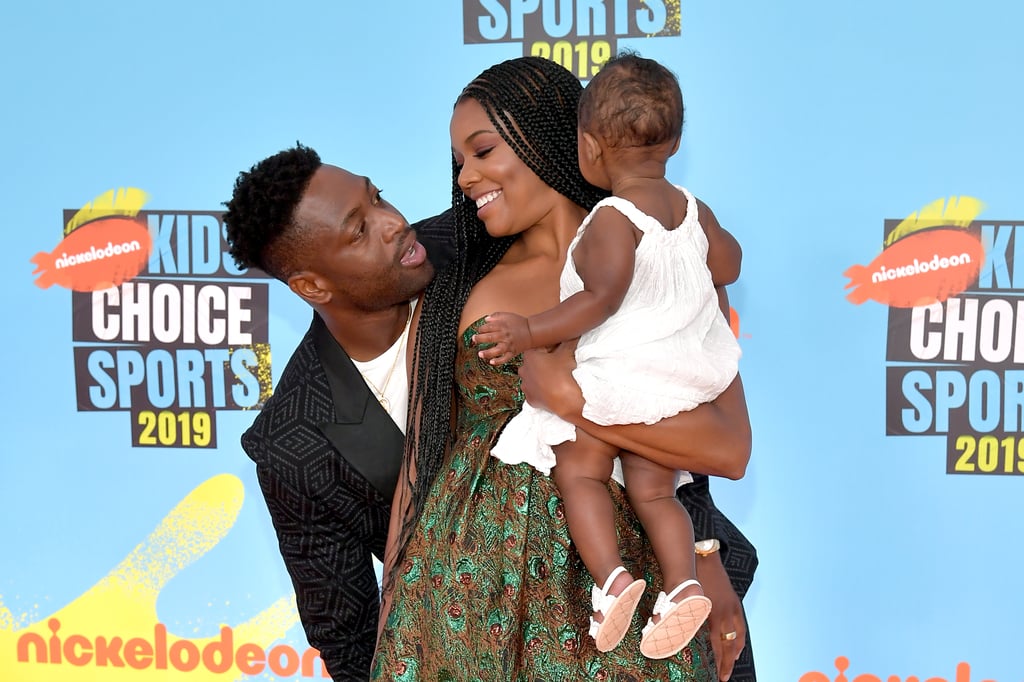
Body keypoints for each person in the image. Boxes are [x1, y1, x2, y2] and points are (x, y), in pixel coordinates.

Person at [373, 56, 752, 680]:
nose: (466, 176)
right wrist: (395, 614)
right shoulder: (453, 293)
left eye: (482, 150)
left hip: (633, 595)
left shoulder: (665, 270)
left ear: (561, 140)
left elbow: (724, 449)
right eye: (458, 160)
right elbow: (423, 460)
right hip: (468, 591)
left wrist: (706, 561)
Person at [473, 52, 743, 660]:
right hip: (681, 388)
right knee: (655, 494)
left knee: (580, 473)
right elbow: (728, 263)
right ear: (674, 141)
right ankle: (680, 586)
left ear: (589, 147)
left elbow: (599, 299)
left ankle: (612, 581)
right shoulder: (695, 211)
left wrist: (531, 331)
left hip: (619, 381)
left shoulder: (611, 220)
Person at [221, 144, 452, 679]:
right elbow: (352, 643)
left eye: (378, 199)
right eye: (359, 230)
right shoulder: (292, 447)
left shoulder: (475, 242)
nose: (394, 223)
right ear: (312, 286)